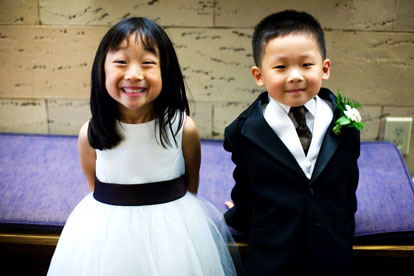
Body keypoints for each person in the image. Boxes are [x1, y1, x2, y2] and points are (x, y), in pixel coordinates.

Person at [47, 17, 237, 276]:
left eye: (148, 63)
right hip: (107, 237)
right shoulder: (90, 133)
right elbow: (95, 187)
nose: (134, 74)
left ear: (166, 71)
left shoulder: (184, 128)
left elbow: (190, 186)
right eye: (121, 62)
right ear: (102, 70)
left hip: (173, 236)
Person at [224, 10, 361, 276]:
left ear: (325, 68)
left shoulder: (345, 122)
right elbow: (245, 186)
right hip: (273, 256)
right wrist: (239, 214)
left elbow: (348, 184)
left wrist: (343, 226)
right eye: (281, 67)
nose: (295, 75)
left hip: (332, 253)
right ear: (259, 75)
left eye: (306, 65)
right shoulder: (243, 132)